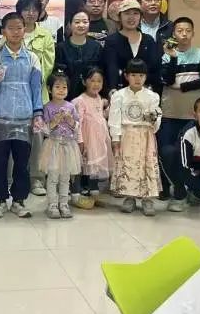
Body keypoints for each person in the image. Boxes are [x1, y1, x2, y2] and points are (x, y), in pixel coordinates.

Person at [0, 12, 44, 219]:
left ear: (24, 30)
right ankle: (0, 201)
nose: (16, 32)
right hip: (0, 116)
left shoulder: (32, 58)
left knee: (22, 162)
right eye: (11, 28)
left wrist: (37, 113)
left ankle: (19, 201)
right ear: (3, 31)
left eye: (19, 28)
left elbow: (36, 88)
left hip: (24, 116)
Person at [157, 17, 200, 192]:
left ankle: (191, 188)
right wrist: (173, 58)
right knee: (166, 151)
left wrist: (181, 86)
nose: (184, 34)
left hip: (192, 115)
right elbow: (167, 80)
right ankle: (169, 187)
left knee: (189, 153)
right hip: (170, 113)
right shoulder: (167, 56)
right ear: (174, 34)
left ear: (193, 33)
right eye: (180, 31)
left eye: (188, 31)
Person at [109, 59, 162, 215]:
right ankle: (129, 197)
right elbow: (114, 118)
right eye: (133, 75)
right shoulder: (119, 95)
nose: (137, 79)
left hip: (146, 135)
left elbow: (157, 115)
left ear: (146, 77)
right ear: (126, 76)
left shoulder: (152, 96)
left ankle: (147, 199)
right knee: (127, 165)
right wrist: (115, 138)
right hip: (126, 135)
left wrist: (154, 118)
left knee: (147, 164)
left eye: (141, 75)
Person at [18, 0, 56, 197]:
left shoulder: (45, 36)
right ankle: (16, 178)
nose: (30, 13)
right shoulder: (12, 31)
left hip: (37, 95)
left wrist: (32, 80)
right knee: (16, 137)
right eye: (26, 9)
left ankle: (37, 179)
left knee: (38, 137)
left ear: (40, 13)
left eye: (34, 9)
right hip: (14, 96)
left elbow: (48, 65)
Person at [39, 72, 81, 220]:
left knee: (65, 177)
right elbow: (44, 129)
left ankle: (64, 203)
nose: (61, 90)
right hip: (53, 145)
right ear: (50, 89)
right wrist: (54, 122)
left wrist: (70, 121)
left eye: (64, 87)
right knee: (53, 177)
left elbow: (77, 127)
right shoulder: (47, 107)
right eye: (57, 87)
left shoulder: (71, 107)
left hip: (69, 146)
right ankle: (52, 204)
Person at [104, 0, 161, 94]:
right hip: (119, 93)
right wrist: (112, 89)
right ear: (119, 17)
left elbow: (155, 67)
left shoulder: (148, 40)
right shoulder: (111, 41)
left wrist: (151, 87)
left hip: (146, 92)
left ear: (140, 17)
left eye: (135, 13)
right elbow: (110, 67)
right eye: (127, 13)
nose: (131, 17)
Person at [71, 67, 112, 203]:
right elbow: (77, 123)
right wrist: (80, 140)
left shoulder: (100, 98)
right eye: (92, 80)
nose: (96, 84)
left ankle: (94, 190)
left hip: (98, 140)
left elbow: (100, 116)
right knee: (79, 165)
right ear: (84, 82)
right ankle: (75, 193)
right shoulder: (80, 101)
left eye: (99, 81)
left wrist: (110, 105)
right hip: (86, 139)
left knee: (94, 166)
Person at [55, 10, 103, 101]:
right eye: (77, 22)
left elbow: (101, 73)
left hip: (91, 96)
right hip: (66, 97)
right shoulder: (61, 48)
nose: (81, 25)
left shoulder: (96, 47)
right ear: (70, 24)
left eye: (85, 22)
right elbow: (57, 75)